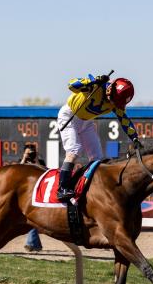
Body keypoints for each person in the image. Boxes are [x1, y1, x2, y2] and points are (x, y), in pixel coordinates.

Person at [56, 73, 141, 202]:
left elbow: (124, 120)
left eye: (117, 103)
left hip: (87, 122)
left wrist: (135, 138)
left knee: (97, 158)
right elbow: (71, 84)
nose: (113, 104)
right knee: (74, 150)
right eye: (113, 100)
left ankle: (93, 188)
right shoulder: (95, 87)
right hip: (69, 116)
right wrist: (92, 82)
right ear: (109, 89)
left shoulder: (115, 101)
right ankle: (62, 188)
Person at [21, 144, 45, 252]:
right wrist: (24, 159)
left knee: (32, 218)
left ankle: (31, 243)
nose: (30, 155)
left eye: (32, 153)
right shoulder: (22, 163)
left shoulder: (40, 163)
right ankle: (34, 244)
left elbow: (44, 172)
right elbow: (17, 171)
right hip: (23, 195)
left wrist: (36, 161)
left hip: (36, 194)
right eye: (28, 153)